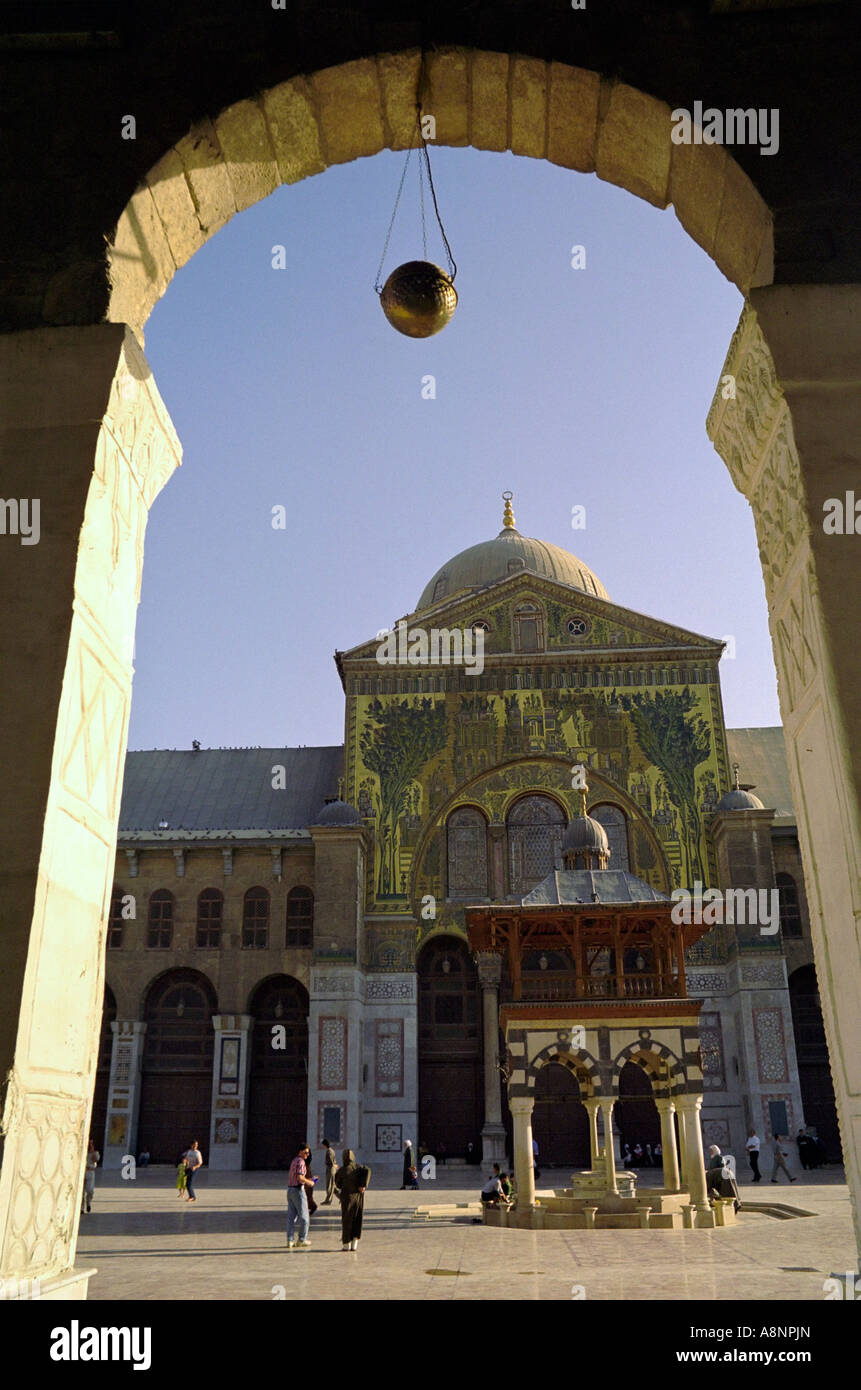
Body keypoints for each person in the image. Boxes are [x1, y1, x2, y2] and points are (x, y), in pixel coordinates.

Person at [334, 1149, 371, 1251]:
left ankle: (346, 1244)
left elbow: (337, 1184)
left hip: (347, 1199)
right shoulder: (358, 1167)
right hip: (359, 1197)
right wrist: (363, 1185)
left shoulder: (343, 1170)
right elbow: (368, 1170)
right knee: (357, 1218)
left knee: (347, 1220)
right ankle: (354, 1244)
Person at [286, 1142, 316, 1249]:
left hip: (290, 1190)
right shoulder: (301, 1162)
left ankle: (290, 1240)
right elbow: (300, 1177)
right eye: (305, 1152)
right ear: (300, 1151)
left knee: (291, 1217)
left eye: (308, 1153)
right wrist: (310, 1182)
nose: (307, 1155)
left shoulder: (294, 1160)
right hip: (298, 1190)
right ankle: (301, 1239)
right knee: (304, 1217)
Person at [706, 1145, 740, 1211]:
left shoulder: (719, 1157)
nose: (710, 1152)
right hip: (715, 1176)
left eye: (711, 1150)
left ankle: (733, 1206)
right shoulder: (713, 1158)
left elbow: (722, 1167)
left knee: (727, 1191)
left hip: (720, 1176)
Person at [81, 1139, 99, 1214]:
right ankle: (81, 1208)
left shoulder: (95, 1153)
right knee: (82, 1192)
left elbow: (96, 1160)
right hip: (83, 1172)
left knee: (90, 1190)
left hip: (90, 1172)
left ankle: (88, 1202)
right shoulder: (83, 1152)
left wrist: (92, 1151)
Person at [322, 1139, 338, 1204]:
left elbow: (331, 1162)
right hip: (331, 1169)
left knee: (329, 1186)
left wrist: (334, 1165)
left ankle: (328, 1200)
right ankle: (342, 1197)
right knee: (333, 1186)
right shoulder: (331, 1150)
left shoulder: (329, 1151)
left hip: (330, 1169)